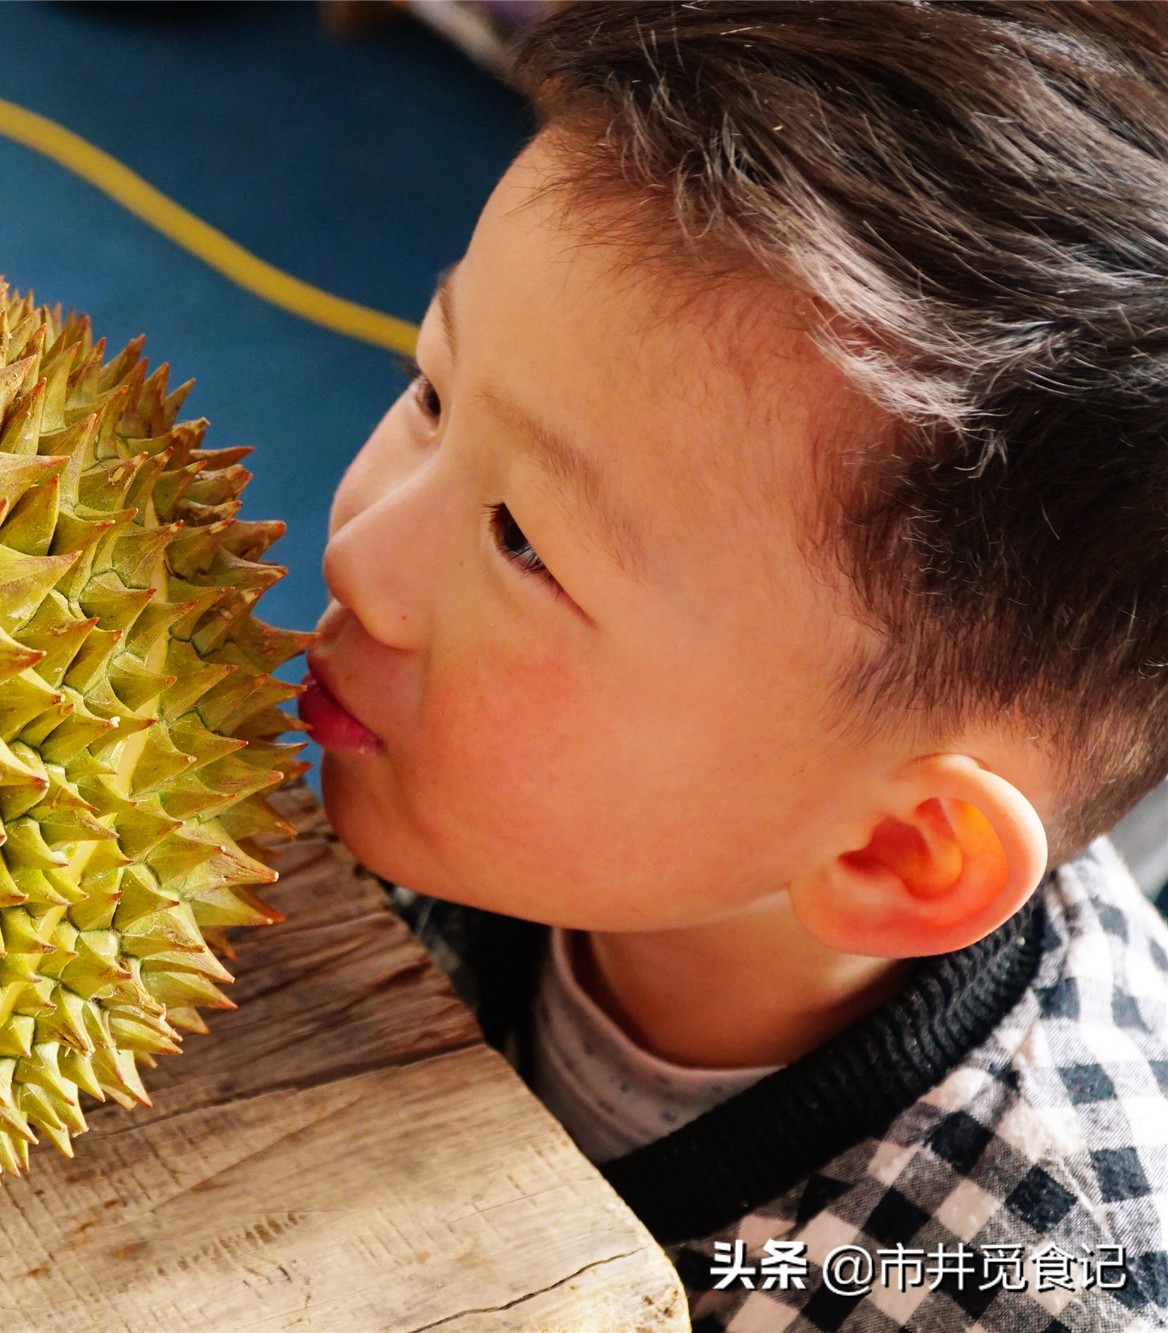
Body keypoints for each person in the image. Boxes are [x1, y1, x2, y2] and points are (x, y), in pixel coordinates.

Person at [297, 3, 1168, 1328]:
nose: (362, 554)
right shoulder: (483, 788)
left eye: (525, 540)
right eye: (431, 390)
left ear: (898, 853)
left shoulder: (1035, 1283)